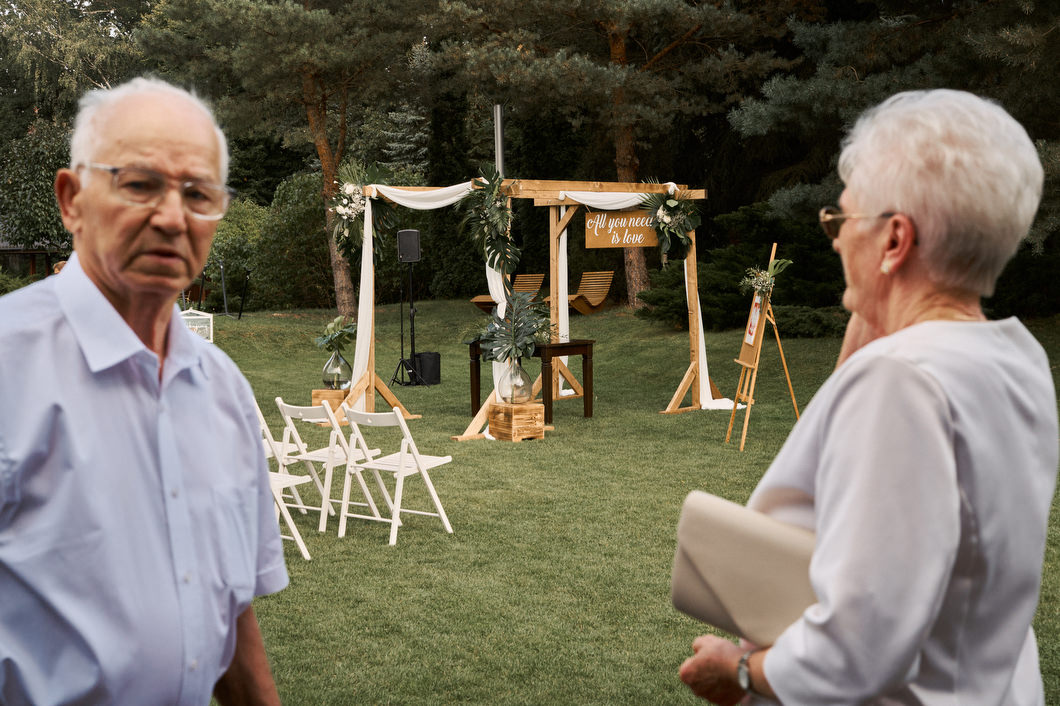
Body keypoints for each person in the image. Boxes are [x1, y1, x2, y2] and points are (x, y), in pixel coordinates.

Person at [679, 89, 1058, 704]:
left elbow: (859, 644)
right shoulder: (1018, 358)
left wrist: (741, 671)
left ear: (894, 240)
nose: (835, 240)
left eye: (843, 220)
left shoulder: (901, 380)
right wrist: (870, 337)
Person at [0, 77, 288, 704]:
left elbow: (230, 606)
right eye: (140, 185)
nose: (172, 217)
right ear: (72, 200)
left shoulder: (223, 389)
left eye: (198, 194)